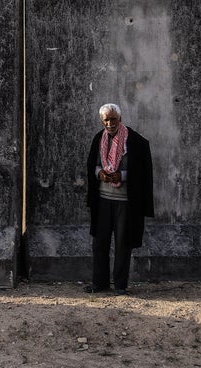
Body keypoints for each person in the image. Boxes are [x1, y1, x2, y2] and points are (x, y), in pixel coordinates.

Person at [84, 103, 153, 295]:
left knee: (123, 243)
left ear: (119, 119)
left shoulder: (135, 142)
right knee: (100, 243)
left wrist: (121, 176)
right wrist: (102, 175)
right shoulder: (99, 139)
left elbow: (142, 171)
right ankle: (99, 283)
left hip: (125, 202)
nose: (109, 123)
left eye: (113, 119)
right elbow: (93, 166)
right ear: (101, 121)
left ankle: (120, 285)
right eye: (106, 120)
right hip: (103, 200)